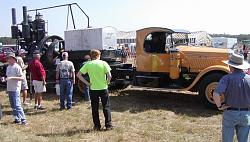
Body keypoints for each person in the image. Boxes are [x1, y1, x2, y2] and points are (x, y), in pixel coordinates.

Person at [213, 53, 250, 142]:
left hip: (230, 112)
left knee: (227, 140)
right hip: (245, 114)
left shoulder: (227, 78)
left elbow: (216, 94)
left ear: (231, 66)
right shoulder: (249, 78)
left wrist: (219, 106)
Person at [77, 49, 113, 131]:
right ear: (98, 55)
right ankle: (108, 125)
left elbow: (78, 75)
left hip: (93, 89)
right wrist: (107, 83)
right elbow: (110, 76)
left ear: (91, 56)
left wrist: (87, 83)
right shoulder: (103, 63)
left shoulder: (88, 64)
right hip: (103, 88)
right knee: (106, 107)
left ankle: (97, 126)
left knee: (94, 108)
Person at [6, 52, 27, 125]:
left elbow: (22, 78)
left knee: (17, 105)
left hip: (15, 89)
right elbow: (8, 77)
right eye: (8, 58)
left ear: (13, 59)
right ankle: (17, 119)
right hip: (10, 88)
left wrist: (12, 78)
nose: (8, 60)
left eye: (9, 58)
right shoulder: (8, 67)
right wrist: (4, 79)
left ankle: (23, 119)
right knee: (13, 105)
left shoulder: (17, 67)